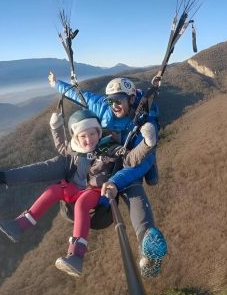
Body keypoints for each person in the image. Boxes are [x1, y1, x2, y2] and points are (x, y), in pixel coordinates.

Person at [0, 109, 150, 278]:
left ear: (98, 132)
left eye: (93, 134)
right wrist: (56, 126)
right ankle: (18, 226)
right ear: (76, 137)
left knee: (81, 204)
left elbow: (130, 158)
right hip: (75, 188)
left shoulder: (108, 149)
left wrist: (146, 144)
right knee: (52, 191)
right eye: (83, 136)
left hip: (95, 190)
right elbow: (61, 145)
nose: (89, 140)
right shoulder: (74, 149)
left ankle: (76, 256)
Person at [48, 72, 166, 277]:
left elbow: (142, 163)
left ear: (130, 99)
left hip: (131, 162)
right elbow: (79, 95)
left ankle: (149, 247)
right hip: (106, 161)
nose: (114, 105)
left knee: (134, 190)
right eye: (111, 101)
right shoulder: (104, 107)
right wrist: (56, 84)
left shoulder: (145, 121)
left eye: (118, 101)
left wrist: (115, 181)